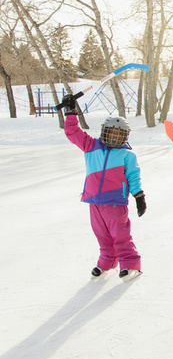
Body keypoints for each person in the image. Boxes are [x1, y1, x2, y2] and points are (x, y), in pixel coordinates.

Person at [61, 94, 146, 282]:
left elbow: (133, 176)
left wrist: (139, 195)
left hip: (115, 202)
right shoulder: (91, 146)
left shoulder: (126, 155)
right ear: (104, 132)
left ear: (124, 136)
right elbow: (73, 133)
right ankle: (107, 261)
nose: (115, 137)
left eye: (119, 134)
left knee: (120, 235)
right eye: (112, 133)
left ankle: (130, 264)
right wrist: (71, 112)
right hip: (94, 201)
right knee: (102, 236)